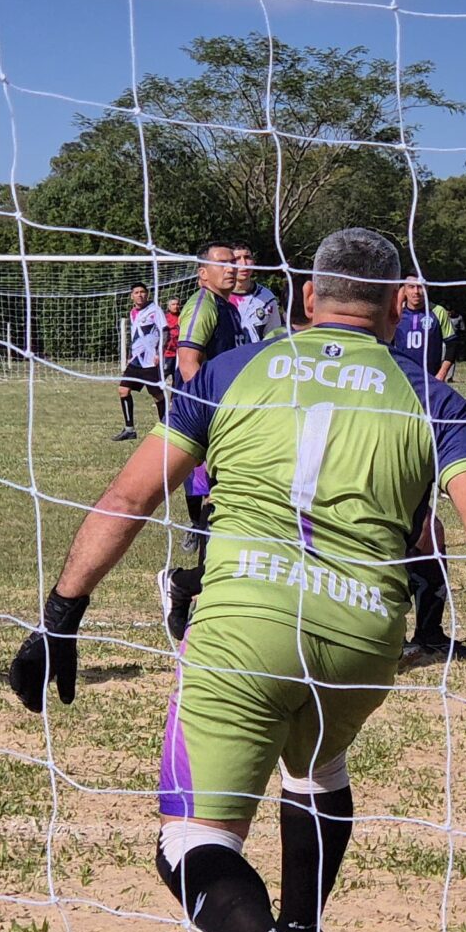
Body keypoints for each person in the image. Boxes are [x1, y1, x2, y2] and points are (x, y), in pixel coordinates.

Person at [6, 227, 466, 932]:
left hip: (244, 627)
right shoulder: (429, 396)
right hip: (364, 635)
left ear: (305, 297)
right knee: (317, 765)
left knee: (191, 840)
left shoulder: (229, 371)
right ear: (398, 308)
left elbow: (131, 495)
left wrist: (61, 613)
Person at [159, 244, 249, 641]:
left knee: (226, 507)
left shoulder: (229, 307)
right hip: (205, 424)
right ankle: (184, 586)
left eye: (235, 263)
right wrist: (213, 419)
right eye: (223, 264)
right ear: (202, 273)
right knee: (219, 505)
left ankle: (192, 589)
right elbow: (188, 363)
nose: (232, 269)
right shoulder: (203, 305)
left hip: (226, 421)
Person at [392, 276, 466, 665]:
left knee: (430, 533)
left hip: (422, 400)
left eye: (420, 286)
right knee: (413, 535)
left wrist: (437, 379)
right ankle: (391, 635)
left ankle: (428, 633)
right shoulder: (389, 326)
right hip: (396, 407)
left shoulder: (436, 314)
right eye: (409, 286)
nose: (416, 292)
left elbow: (451, 347)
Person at [114, 284, 168, 441]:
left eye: (142, 292)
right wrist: (131, 354)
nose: (140, 295)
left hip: (150, 361)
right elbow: (136, 336)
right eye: (136, 292)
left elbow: (165, 331)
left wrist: (159, 352)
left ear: (147, 294)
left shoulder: (155, 310)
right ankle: (129, 429)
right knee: (123, 390)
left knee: (157, 395)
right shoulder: (133, 313)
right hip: (136, 360)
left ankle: (166, 427)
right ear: (132, 296)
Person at [231, 250, 285, 343]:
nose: (244, 263)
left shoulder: (266, 298)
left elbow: (274, 338)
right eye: (237, 258)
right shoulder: (217, 297)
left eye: (247, 257)